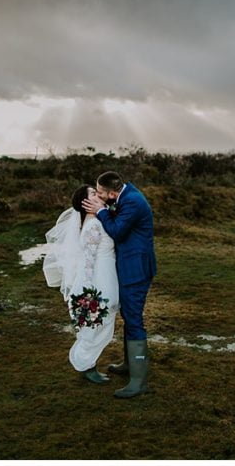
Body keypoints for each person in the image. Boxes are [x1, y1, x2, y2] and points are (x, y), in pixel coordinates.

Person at [82, 170, 156, 399]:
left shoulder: (132, 202)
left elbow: (116, 231)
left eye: (102, 194)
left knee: (134, 318)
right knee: (128, 314)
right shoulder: (125, 195)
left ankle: (138, 381)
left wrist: (101, 211)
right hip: (128, 266)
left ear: (113, 192)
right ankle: (128, 364)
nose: (100, 197)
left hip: (136, 269)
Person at [42, 185, 120, 384]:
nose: (98, 194)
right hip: (98, 277)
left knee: (104, 321)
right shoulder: (94, 224)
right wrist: (88, 291)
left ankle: (87, 362)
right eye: (93, 194)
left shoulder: (98, 218)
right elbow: (89, 261)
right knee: (98, 323)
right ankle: (85, 363)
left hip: (106, 272)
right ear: (85, 203)